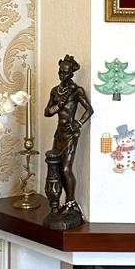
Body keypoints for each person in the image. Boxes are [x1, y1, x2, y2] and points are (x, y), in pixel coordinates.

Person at [43, 55, 93, 225]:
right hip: (59, 134)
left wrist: (78, 123)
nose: (61, 75)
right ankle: (62, 203)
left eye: (65, 72)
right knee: (56, 168)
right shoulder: (55, 91)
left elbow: (89, 110)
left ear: (71, 73)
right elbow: (47, 112)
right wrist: (58, 106)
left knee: (66, 169)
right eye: (60, 71)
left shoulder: (76, 91)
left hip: (70, 134)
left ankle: (71, 202)